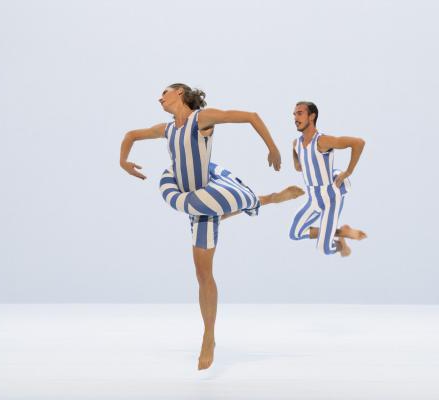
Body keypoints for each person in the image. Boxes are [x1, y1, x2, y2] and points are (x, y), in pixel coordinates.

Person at [120, 83, 303, 370]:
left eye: (164, 92)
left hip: (208, 192)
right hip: (189, 198)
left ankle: (208, 336)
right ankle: (269, 199)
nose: (159, 98)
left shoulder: (201, 120)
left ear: (180, 93)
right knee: (202, 271)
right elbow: (131, 135)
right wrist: (123, 162)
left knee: (205, 270)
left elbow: (251, 116)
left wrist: (272, 148)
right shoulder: (167, 129)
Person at [289, 101, 367, 256]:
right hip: (313, 198)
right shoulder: (296, 143)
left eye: (300, 113)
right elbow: (298, 167)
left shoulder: (322, 141)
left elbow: (358, 143)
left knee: (324, 249)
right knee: (295, 233)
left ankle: (340, 245)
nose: (295, 118)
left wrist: (347, 172)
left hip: (330, 198)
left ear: (312, 116)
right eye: (294, 114)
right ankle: (341, 232)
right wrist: (297, 155)